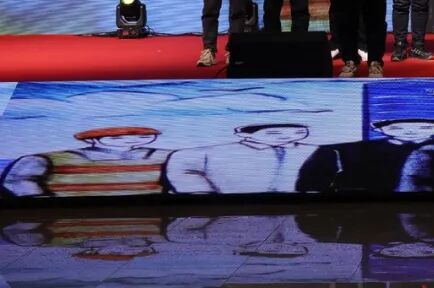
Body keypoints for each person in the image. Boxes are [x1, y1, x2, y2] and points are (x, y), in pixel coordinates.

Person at [297, 118, 434, 194]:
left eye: (425, 127)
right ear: (379, 129)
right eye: (397, 128)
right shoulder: (350, 149)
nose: (411, 131)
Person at [1, 127, 169, 198]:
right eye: (116, 137)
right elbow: (17, 180)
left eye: (142, 136)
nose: (129, 140)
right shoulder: (48, 159)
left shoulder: (165, 155)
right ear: (91, 140)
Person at [165, 124, 317, 194]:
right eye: (273, 133)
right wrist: (199, 192)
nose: (287, 136)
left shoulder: (314, 150)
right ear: (243, 133)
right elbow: (182, 167)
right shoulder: (211, 151)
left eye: (298, 132)